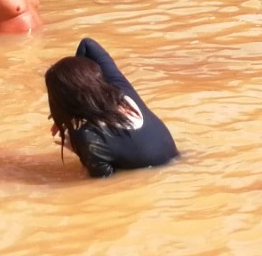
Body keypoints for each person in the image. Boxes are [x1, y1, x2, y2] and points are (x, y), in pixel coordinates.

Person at [45, 39, 178, 178]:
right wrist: (80, 74)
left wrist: (81, 151)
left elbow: (103, 184)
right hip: (176, 163)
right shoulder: (122, 89)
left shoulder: (90, 137)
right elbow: (88, 44)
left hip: (156, 178)